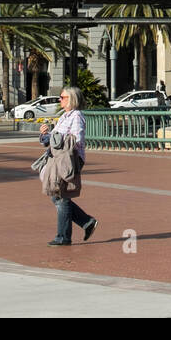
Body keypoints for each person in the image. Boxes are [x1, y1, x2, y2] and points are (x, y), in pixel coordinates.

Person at [38, 87, 97, 246]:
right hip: (58, 158)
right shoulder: (65, 116)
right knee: (57, 195)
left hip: (69, 159)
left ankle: (63, 236)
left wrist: (54, 138)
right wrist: (45, 135)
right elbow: (55, 140)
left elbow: (76, 140)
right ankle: (86, 222)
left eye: (62, 97)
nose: (60, 100)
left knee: (60, 196)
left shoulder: (77, 116)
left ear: (71, 99)